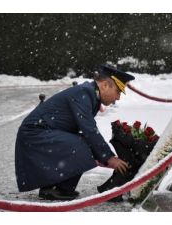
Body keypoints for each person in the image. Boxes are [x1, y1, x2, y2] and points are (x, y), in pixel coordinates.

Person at [15, 64, 135, 200]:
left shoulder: (90, 95)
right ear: (105, 85)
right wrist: (109, 158)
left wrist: (107, 157)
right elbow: (89, 129)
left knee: (84, 143)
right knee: (81, 144)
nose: (118, 98)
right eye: (118, 92)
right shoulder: (84, 93)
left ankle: (62, 187)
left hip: (44, 132)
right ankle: (53, 188)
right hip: (34, 134)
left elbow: (89, 131)